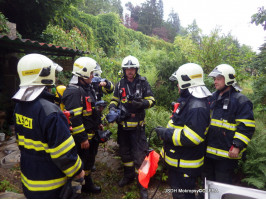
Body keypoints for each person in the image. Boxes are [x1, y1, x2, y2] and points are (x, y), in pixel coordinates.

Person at [12, 53, 84, 199]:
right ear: (45, 75)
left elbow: (21, 142)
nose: (55, 79)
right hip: (52, 185)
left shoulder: (19, 107)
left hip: (29, 181)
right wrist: (78, 171)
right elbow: (63, 154)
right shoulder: (51, 112)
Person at [155, 63, 211, 199]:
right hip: (179, 162)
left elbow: (193, 137)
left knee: (184, 195)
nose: (177, 85)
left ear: (187, 82)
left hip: (186, 165)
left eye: (179, 82)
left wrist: (165, 134)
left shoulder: (197, 106)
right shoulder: (189, 101)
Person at [108, 55, 155, 198]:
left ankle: (142, 185)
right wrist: (111, 108)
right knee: (125, 153)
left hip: (138, 128)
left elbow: (152, 100)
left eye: (132, 68)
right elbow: (115, 99)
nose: (130, 71)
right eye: (127, 69)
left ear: (136, 69)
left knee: (140, 155)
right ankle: (128, 176)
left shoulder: (143, 82)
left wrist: (141, 104)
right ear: (124, 70)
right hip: (123, 127)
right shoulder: (120, 83)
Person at [205, 64, 255, 184]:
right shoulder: (211, 97)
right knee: (206, 184)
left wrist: (237, 145)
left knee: (222, 187)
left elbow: (246, 126)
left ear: (228, 79)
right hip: (208, 152)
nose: (215, 82)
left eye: (218, 78)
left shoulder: (241, 101)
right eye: (214, 79)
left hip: (226, 155)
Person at [62, 57, 101, 194]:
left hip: (91, 133)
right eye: (91, 73)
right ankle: (75, 191)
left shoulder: (86, 87)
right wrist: (83, 138)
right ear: (83, 74)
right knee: (80, 164)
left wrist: (98, 124)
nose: (93, 76)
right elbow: (75, 119)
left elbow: (91, 110)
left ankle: (86, 184)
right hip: (81, 139)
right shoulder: (73, 92)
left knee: (89, 161)